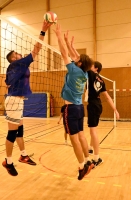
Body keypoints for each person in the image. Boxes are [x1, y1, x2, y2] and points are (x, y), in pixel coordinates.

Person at [2, 20, 53, 177]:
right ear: (14, 58)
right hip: (14, 101)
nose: (19, 54)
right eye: (16, 54)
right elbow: (36, 50)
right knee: (12, 133)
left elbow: (7, 84)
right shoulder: (18, 64)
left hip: (17, 100)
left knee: (20, 130)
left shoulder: (15, 67)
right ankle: (8, 162)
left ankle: (23, 155)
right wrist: (43, 30)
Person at [53, 25, 94, 180]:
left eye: (77, 59)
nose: (75, 58)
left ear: (79, 63)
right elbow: (75, 56)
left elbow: (64, 53)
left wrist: (58, 36)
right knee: (82, 136)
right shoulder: (84, 73)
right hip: (79, 108)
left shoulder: (74, 70)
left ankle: (82, 165)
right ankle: (89, 161)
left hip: (70, 109)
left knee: (74, 138)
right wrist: (71, 45)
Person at [86, 61, 120, 168]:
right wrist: (115, 110)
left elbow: (81, 64)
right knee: (93, 129)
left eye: (91, 65)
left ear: (95, 68)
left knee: (93, 131)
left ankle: (97, 158)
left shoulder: (91, 74)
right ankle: (90, 148)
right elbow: (107, 97)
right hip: (98, 105)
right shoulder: (101, 80)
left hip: (93, 105)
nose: (90, 66)